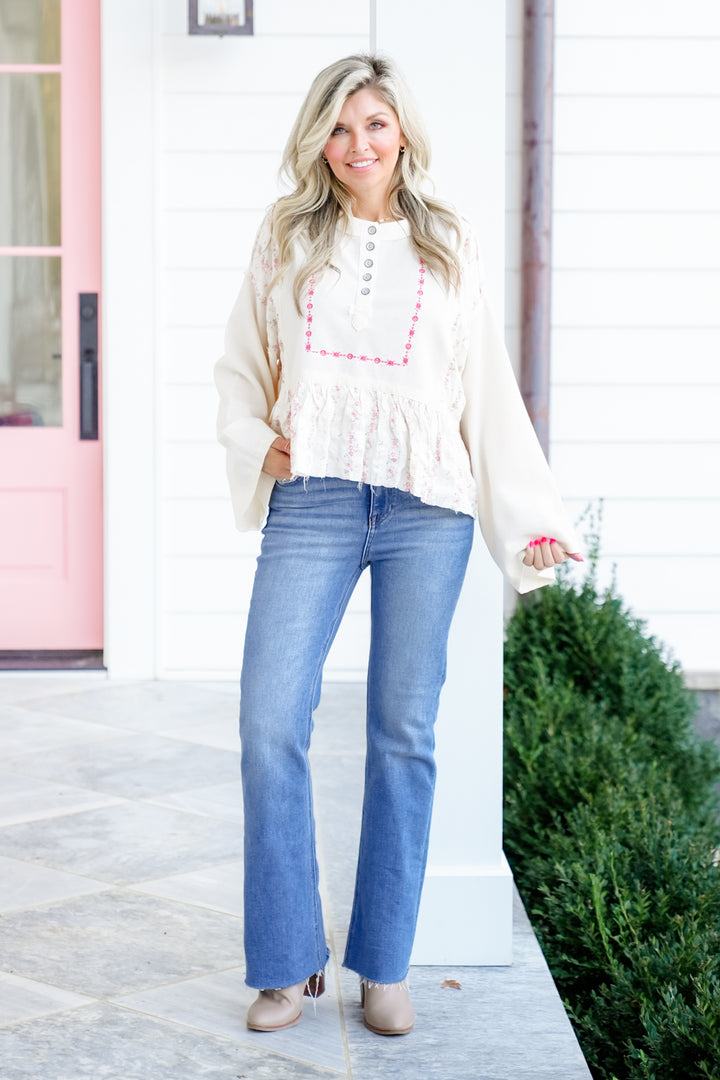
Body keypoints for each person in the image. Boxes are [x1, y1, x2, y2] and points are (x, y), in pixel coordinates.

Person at [214, 53, 582, 1038]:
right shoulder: (286, 235)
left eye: (374, 123)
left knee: (403, 732)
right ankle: (286, 962)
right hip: (315, 501)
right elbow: (239, 366)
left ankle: (385, 964)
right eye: (339, 127)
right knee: (269, 723)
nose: (358, 145)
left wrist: (531, 522)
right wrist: (259, 444)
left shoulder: (448, 241)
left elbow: (485, 391)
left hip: (429, 510)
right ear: (318, 138)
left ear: (403, 131)